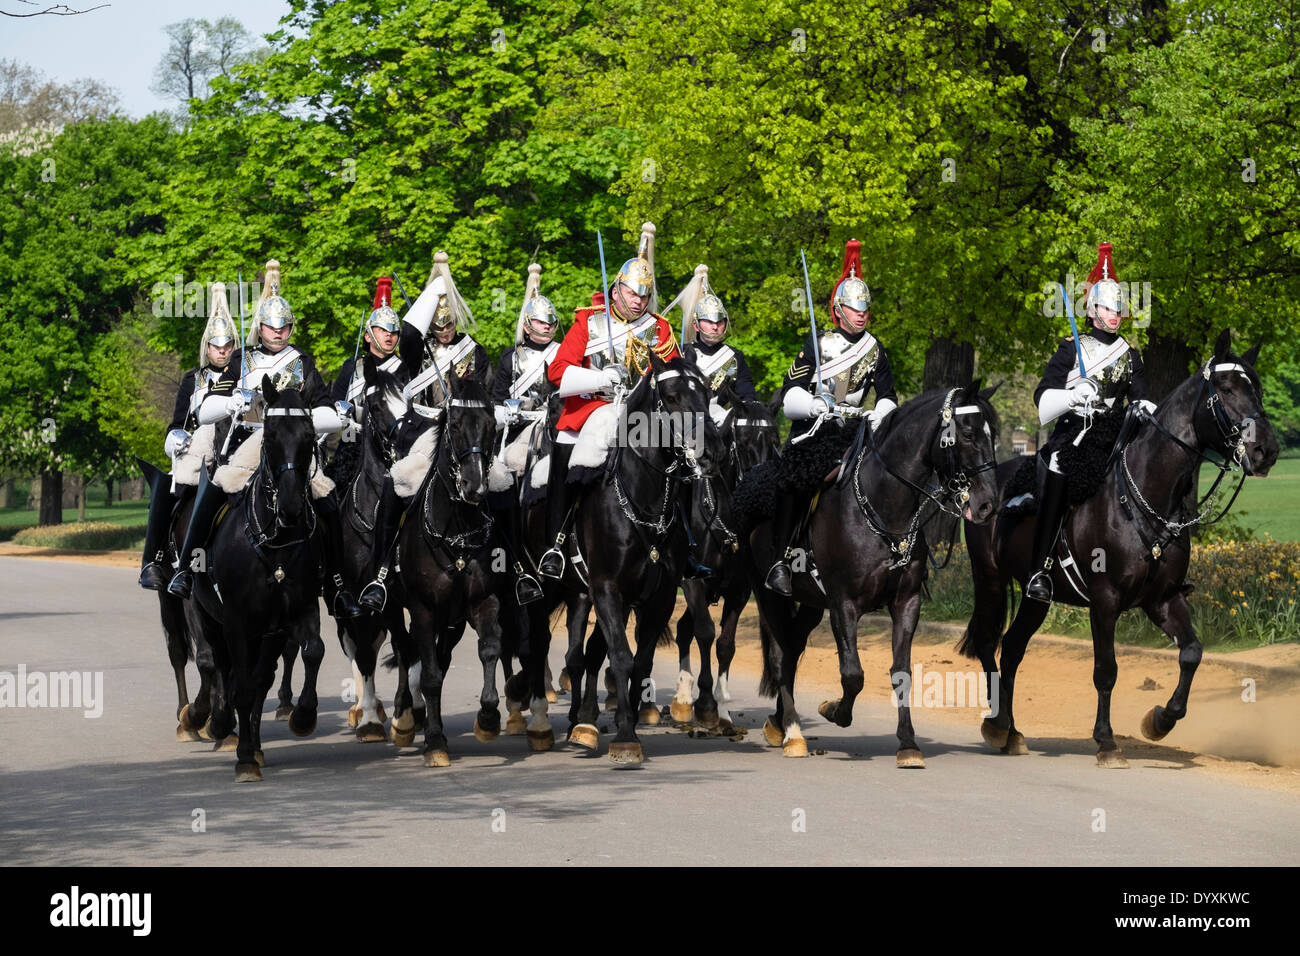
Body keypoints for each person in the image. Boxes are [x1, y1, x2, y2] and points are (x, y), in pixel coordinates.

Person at [167, 259, 362, 619]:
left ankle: (335, 584)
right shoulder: (241, 359)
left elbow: (321, 408)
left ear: (290, 328)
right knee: (214, 489)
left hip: (293, 445)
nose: (277, 333)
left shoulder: (302, 361)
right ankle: (185, 568)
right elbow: (206, 409)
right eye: (271, 327)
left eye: (284, 327)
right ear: (260, 328)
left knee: (328, 499)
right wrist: (231, 401)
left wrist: (336, 415)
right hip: (246, 442)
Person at [537, 222, 679, 579]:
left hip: (643, 417)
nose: (639, 301)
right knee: (566, 453)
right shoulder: (589, 322)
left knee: (685, 459)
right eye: (633, 294)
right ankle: (555, 543)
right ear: (616, 290)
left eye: (645, 297)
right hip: (592, 410)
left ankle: (682, 543)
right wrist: (600, 378)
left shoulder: (660, 329)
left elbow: (674, 375)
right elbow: (558, 372)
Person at [764, 238, 898, 596]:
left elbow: (888, 397)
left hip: (857, 429)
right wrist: (814, 405)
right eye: (855, 309)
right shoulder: (817, 343)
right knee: (795, 478)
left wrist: (876, 416)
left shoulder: (875, 349)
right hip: (816, 429)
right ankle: (782, 559)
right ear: (839, 310)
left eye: (865, 309)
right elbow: (789, 390)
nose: (862, 314)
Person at [358, 250, 487, 611]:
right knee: (394, 483)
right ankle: (380, 572)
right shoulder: (416, 352)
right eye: (438, 323)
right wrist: (438, 282)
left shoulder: (474, 351)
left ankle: (518, 567)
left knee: (501, 484)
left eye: (449, 323)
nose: (444, 329)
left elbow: (487, 395)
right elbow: (411, 330)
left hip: (464, 436)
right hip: (424, 432)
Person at [1025, 242, 1150, 603]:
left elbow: (1139, 397)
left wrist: (1148, 409)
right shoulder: (1071, 349)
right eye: (1109, 308)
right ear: (1094, 311)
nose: (1115, 314)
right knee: (1060, 474)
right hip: (1076, 434)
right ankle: (1039, 570)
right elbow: (1042, 401)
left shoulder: (1130, 355)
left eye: (1119, 308)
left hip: (1117, 435)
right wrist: (1073, 394)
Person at [138, 283, 237, 589]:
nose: (222, 351)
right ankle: (153, 560)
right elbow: (178, 421)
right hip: (198, 451)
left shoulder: (244, 375)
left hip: (234, 448)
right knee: (170, 488)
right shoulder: (193, 380)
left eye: (227, 345)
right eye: (216, 346)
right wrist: (175, 438)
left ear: (234, 346)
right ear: (207, 347)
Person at [487, 262, 561, 603]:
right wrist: (510, 409)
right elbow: (494, 402)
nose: (545, 327)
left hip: (557, 427)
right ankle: (505, 544)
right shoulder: (510, 358)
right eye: (539, 322)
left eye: (550, 322)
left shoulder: (564, 355)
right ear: (527, 325)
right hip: (520, 432)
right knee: (509, 470)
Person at [669, 263, 758, 425]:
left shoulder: (734, 357)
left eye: (719, 321)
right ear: (696, 325)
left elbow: (747, 395)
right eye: (709, 321)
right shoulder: (681, 353)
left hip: (721, 420)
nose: (715, 326)